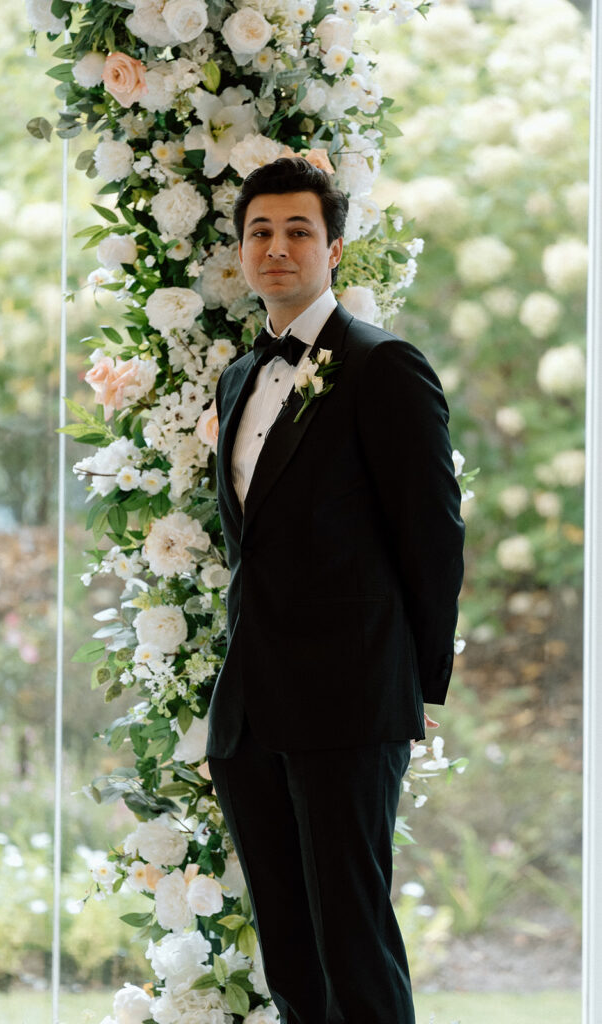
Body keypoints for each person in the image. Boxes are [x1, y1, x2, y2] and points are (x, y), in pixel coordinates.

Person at [206, 159, 465, 1024]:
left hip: (351, 702)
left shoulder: (384, 365)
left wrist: (412, 688)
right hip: (249, 711)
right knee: (289, 954)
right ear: (241, 250)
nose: (276, 248)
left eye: (298, 231)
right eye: (259, 233)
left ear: (334, 248)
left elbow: (431, 540)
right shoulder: (237, 378)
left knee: (354, 948)